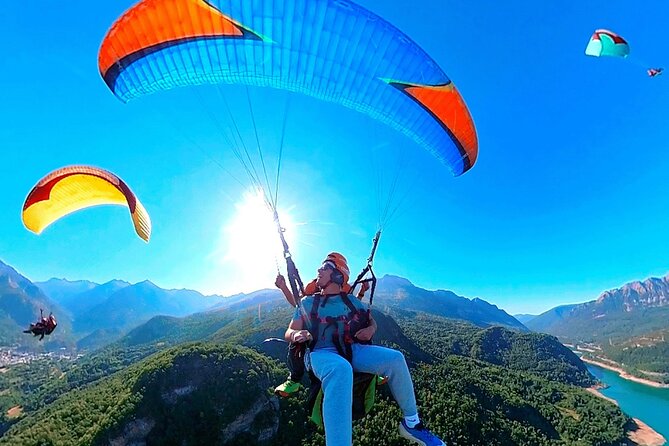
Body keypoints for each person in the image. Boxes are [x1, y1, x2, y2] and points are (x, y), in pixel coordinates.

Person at [285, 253, 446, 446]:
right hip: (321, 353)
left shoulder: (351, 302)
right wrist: (296, 335)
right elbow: (290, 330)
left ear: (337, 275)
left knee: (395, 359)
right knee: (340, 368)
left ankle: (412, 423)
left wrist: (371, 329)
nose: (319, 269)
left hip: (350, 349)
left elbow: (371, 321)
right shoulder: (308, 302)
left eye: (325, 266)